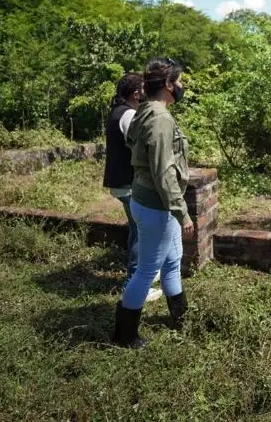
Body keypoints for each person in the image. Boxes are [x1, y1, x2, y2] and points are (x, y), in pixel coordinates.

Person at [113, 58, 193, 349]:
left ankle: (181, 316)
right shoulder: (159, 117)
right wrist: (181, 212)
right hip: (157, 205)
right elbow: (163, 171)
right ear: (169, 85)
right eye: (180, 81)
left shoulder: (145, 110)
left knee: (172, 260)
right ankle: (124, 335)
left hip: (150, 201)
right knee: (147, 269)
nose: (182, 87)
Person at [103, 73, 162, 303]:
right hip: (129, 184)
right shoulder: (128, 114)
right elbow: (141, 147)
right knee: (141, 233)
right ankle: (135, 284)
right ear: (137, 93)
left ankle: (143, 275)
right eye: (144, 88)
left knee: (139, 230)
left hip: (122, 183)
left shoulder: (119, 111)